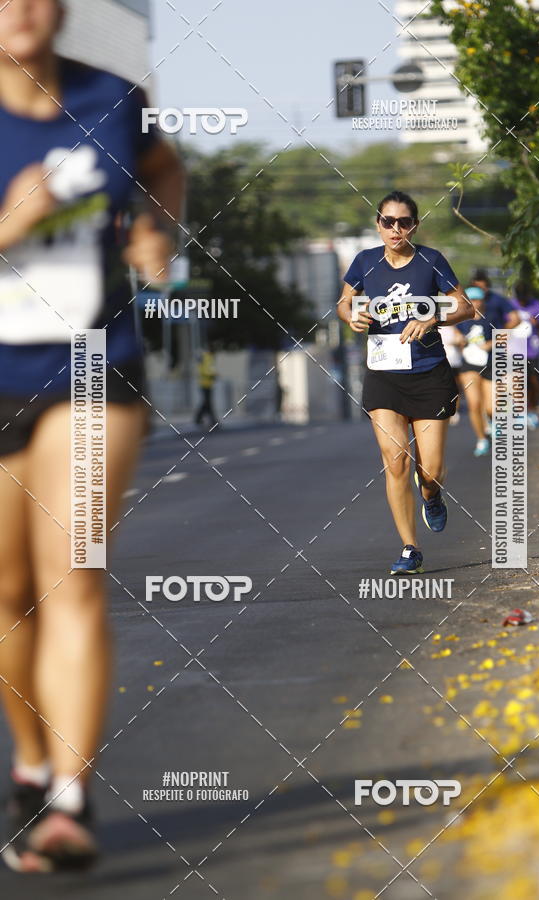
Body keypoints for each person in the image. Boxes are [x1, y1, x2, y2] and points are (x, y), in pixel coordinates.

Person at [0, 0, 184, 872]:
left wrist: (157, 229)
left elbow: (162, 166)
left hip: (91, 366)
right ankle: (32, 768)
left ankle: (71, 801)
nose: (22, 8)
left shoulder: (112, 99)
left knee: (70, 574)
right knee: (7, 595)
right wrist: (12, 225)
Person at [337, 190, 471, 575]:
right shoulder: (364, 262)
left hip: (429, 374)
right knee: (395, 461)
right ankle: (410, 548)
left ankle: (431, 493)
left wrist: (433, 319)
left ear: (416, 224)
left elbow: (464, 306)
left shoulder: (431, 260)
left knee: (429, 470)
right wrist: (351, 317)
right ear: (378, 224)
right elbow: (344, 302)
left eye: (405, 222)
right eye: (388, 222)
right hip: (384, 375)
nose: (396, 229)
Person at [471, 268, 519, 423]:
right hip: (473, 354)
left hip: (495, 351)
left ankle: (501, 417)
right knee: (476, 399)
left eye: (484, 287)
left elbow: (515, 318)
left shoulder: (498, 300)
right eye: (478, 288)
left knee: (498, 393)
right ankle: (486, 427)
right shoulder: (467, 300)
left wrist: (500, 335)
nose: (481, 291)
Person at [455, 287, 493, 456]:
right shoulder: (460, 320)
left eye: (478, 299)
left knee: (492, 407)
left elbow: (505, 334)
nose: (475, 303)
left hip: (490, 362)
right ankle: (481, 439)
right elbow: (452, 335)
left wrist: (490, 344)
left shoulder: (491, 318)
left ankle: (491, 424)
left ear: (482, 301)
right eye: (472, 300)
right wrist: (459, 340)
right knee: (474, 404)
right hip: (469, 365)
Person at [510, 280, 539, 428]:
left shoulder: (537, 305)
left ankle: (532, 411)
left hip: (533, 351)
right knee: (518, 382)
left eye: (524, 298)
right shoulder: (509, 305)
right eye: (519, 298)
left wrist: (537, 323)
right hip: (514, 350)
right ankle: (520, 412)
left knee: (533, 382)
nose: (522, 301)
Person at [195, 347, 218, 428]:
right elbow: (206, 370)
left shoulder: (205, 357)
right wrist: (213, 374)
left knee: (207, 402)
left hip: (206, 383)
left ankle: (200, 419)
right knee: (207, 402)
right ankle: (211, 420)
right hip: (205, 383)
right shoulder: (208, 358)